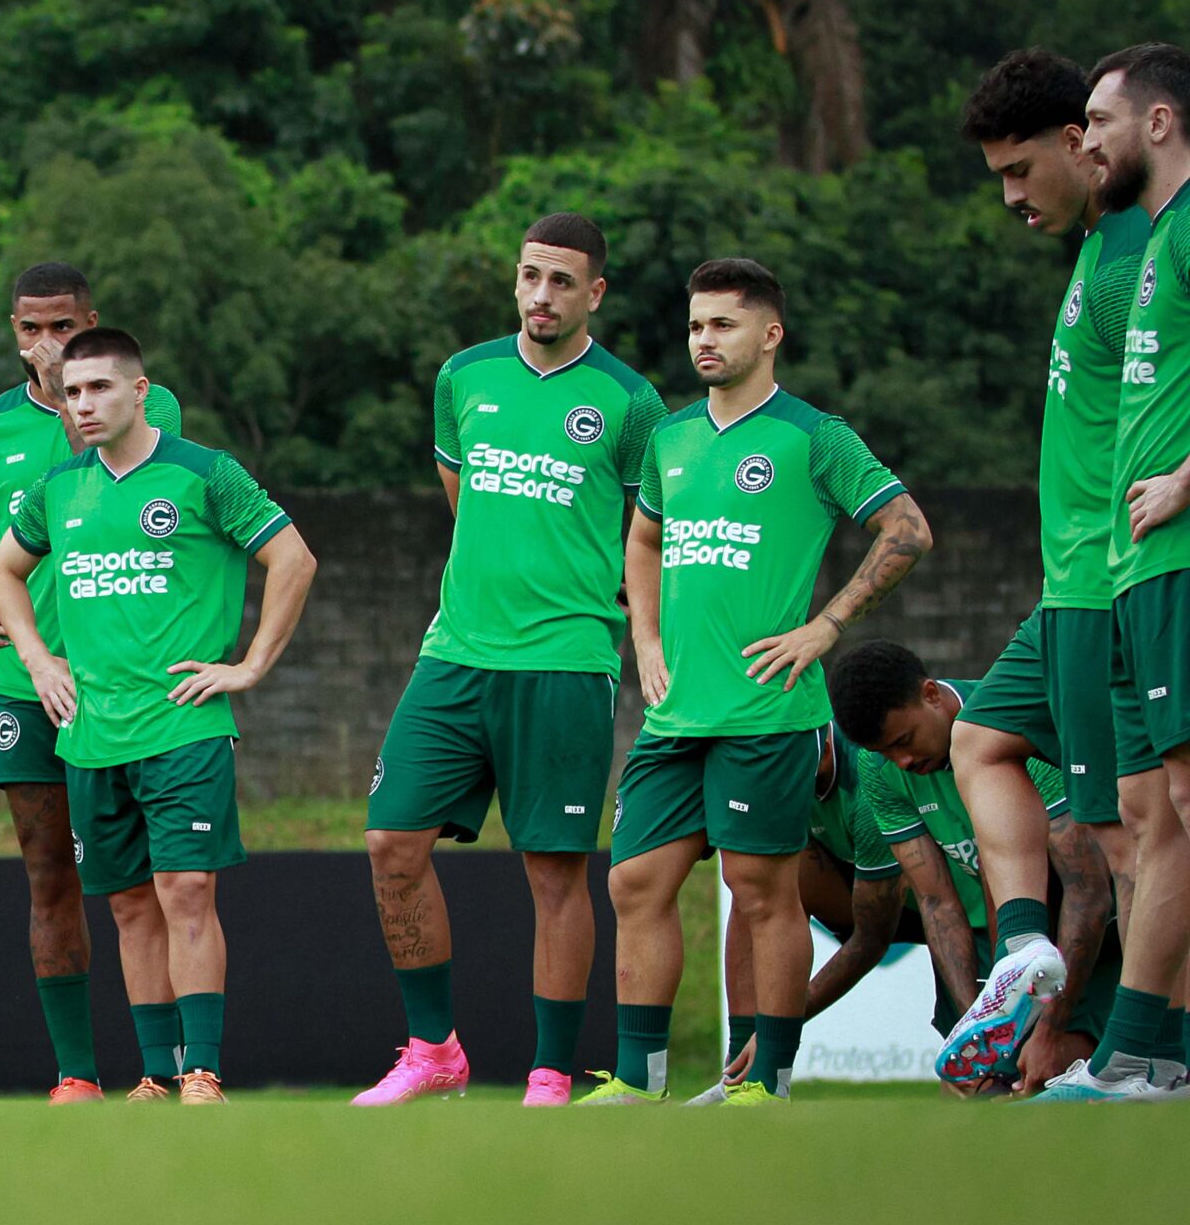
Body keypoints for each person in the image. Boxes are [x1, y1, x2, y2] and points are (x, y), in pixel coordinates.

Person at [579, 258, 929, 1105]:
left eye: (723, 324)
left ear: (770, 334)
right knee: (633, 881)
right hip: (674, 716)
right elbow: (644, 543)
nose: (704, 339)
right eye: (696, 325)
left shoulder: (815, 437)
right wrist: (647, 636)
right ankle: (637, 1080)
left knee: (759, 890)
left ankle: (763, 1079)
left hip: (769, 713)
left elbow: (907, 528)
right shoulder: (669, 438)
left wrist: (826, 625)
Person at [355, 213, 665, 1108]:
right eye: (531, 275)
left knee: (553, 870)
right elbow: (465, 499)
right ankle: (431, 1050)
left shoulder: (631, 402)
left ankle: (550, 1073)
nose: (541, 295)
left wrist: (636, 635)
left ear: (594, 293)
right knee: (391, 842)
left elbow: (648, 535)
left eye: (563, 281)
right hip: (454, 654)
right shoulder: (465, 375)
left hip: (567, 663)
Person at [0, 327, 316, 1104]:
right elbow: (4, 571)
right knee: (131, 906)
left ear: (140, 391)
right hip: (91, 736)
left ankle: (203, 1069)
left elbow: (293, 558)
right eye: (71, 392)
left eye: (100, 388)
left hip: (184, 726)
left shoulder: (204, 473)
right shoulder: (58, 488)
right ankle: (157, 1075)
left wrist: (252, 663)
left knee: (185, 892)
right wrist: (37, 658)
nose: (84, 404)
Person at [0, 260, 185, 1103]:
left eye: (62, 328)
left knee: (144, 881)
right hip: (28, 689)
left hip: (129, 687)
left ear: (91, 323)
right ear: (13, 333)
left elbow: (95, 471)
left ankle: (173, 1068)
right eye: (30, 330)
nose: (46, 345)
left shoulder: (145, 403)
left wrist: (72, 395)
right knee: (48, 874)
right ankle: (75, 1074)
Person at [942, 48, 1151, 1091]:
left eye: (1020, 172)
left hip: (1113, 588)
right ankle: (1025, 943)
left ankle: (1144, 1053)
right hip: (1065, 590)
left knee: (1131, 838)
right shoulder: (1097, 251)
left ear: (1081, 144)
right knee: (979, 738)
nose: (1013, 198)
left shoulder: (1138, 259)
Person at [1041, 41, 1190, 1099]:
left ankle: (1141, 1045)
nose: (1084, 139)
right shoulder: (1151, 246)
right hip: (1136, 573)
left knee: (1177, 807)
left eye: (1097, 119)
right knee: (1153, 818)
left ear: (1158, 122)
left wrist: (1185, 479)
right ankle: (1146, 1052)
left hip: (1172, 558)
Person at [826, 641, 1120, 1094]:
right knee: (972, 1092)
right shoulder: (878, 767)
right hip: (993, 943)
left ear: (930, 694)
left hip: (1083, 936)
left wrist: (1052, 1031)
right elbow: (936, 901)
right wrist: (977, 1030)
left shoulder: (1012, 726)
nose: (902, 762)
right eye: (887, 752)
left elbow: (1087, 890)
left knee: (1061, 1079)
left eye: (904, 741)